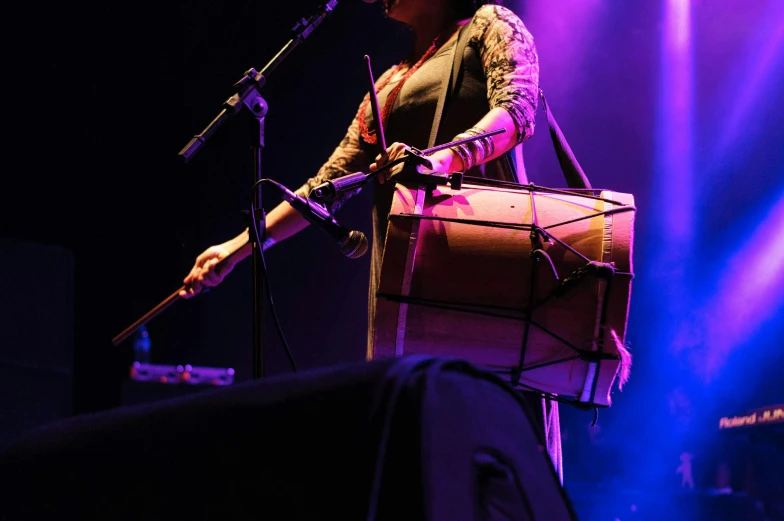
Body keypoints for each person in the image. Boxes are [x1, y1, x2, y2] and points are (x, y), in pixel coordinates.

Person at [179, 0, 562, 480]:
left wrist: (438, 160)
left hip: (485, 276)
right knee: (415, 464)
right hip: (405, 295)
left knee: (497, 460)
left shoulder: (490, 24)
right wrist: (235, 249)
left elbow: (518, 111)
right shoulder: (388, 82)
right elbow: (326, 185)